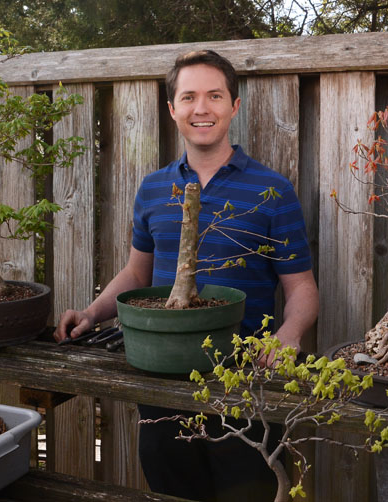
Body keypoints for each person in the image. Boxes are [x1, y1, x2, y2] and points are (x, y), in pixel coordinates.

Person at [55, 49, 319, 501]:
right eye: (190, 97)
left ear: (233, 107)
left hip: (243, 384)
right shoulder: (155, 188)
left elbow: (303, 288)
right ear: (172, 109)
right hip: (162, 379)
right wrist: (92, 312)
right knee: (171, 492)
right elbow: (138, 273)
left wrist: (289, 334)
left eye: (215, 96)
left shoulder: (270, 191)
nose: (202, 108)